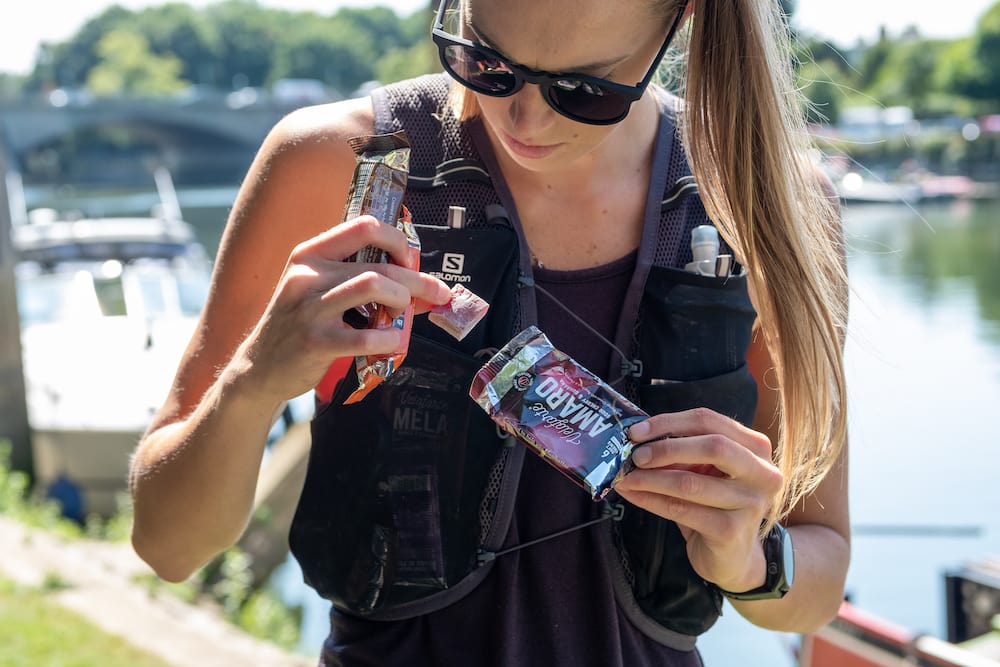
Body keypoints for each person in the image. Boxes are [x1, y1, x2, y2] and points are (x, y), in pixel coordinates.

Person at [129, 0, 850, 664]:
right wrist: (253, 381)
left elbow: (821, 570)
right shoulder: (333, 162)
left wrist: (752, 561)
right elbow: (168, 544)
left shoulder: (769, 199)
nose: (525, 121)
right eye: (485, 60)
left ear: (683, 17)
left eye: (582, 90)